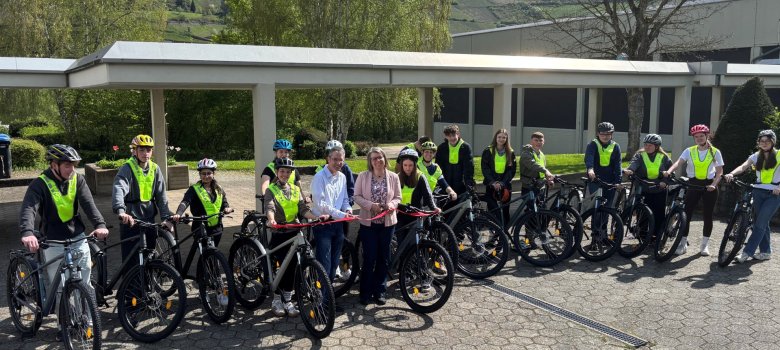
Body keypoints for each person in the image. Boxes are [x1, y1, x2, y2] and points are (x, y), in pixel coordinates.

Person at [19, 144, 109, 341]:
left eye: (74, 165)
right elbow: (29, 209)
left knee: (84, 282)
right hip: (52, 241)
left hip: (77, 237)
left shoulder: (78, 180)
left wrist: (100, 224)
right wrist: (27, 232)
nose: (72, 169)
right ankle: (64, 325)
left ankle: (87, 321)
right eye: (67, 165)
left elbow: (89, 205)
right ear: (54, 165)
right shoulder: (39, 184)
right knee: (60, 285)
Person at [264, 158, 329, 317]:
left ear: (291, 173)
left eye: (288, 171)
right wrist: (271, 219)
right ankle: (277, 300)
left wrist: (314, 217)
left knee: (293, 267)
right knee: (281, 268)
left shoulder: (294, 188)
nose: (285, 174)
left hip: (294, 231)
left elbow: (302, 209)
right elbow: (269, 206)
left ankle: (288, 299)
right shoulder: (271, 189)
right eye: (282, 171)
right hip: (280, 233)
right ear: (277, 172)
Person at [663, 124, 723, 256]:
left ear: (707, 136)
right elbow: (679, 162)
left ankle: (704, 245)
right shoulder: (689, 150)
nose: (699, 138)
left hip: (709, 186)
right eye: (696, 137)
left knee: (707, 215)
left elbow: (719, 172)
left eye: (702, 136)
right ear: (694, 138)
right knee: (686, 214)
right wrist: (669, 171)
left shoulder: (715, 152)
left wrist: (714, 184)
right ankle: (682, 243)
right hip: (693, 184)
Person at [112, 134, 173, 263]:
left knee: (149, 255)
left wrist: (166, 218)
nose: (146, 153)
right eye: (142, 150)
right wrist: (121, 210)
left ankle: (149, 282)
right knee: (131, 258)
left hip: (148, 219)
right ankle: (131, 283)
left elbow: (161, 196)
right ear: (134, 151)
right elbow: (119, 188)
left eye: (148, 150)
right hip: (130, 219)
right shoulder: (127, 168)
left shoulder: (155, 169)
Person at [354, 147, 401, 306]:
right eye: (373, 158)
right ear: (370, 161)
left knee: (384, 258)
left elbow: (398, 197)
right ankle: (365, 292)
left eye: (379, 157)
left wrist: (391, 205)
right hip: (369, 224)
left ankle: (380, 291)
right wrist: (370, 205)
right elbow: (357, 196)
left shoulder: (394, 177)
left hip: (387, 225)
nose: (377, 160)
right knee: (369, 258)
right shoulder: (363, 176)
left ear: (384, 158)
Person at [723, 129, 780, 263]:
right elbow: (743, 166)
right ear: (759, 143)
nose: (764, 143)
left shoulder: (778, 155)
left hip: (774, 194)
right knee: (761, 223)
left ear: (773, 142)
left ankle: (746, 252)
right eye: (762, 141)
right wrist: (731, 174)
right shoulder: (756, 156)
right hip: (758, 192)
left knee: (759, 224)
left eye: (767, 141)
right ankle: (766, 252)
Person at [310, 143, 355, 309]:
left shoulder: (342, 177)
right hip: (323, 225)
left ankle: (327, 301)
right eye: (335, 159)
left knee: (334, 264)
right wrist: (343, 214)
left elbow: (344, 199)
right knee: (324, 265)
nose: (338, 162)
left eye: (341, 160)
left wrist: (348, 209)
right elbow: (321, 204)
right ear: (328, 159)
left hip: (337, 224)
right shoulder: (319, 177)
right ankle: (320, 303)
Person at [171, 158, 235, 247]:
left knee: (213, 255)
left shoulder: (218, 188)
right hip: (200, 228)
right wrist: (178, 213)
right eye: (203, 173)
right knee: (204, 255)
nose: (206, 176)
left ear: (213, 174)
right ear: (199, 174)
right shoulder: (194, 189)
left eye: (209, 173)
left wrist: (226, 208)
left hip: (217, 228)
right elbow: (185, 202)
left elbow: (223, 202)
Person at [623, 134, 672, 238]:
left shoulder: (664, 157)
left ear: (657, 146)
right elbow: (634, 164)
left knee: (659, 213)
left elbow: (670, 172)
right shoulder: (640, 155)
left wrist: (664, 181)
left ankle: (657, 235)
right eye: (645, 145)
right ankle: (642, 235)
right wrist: (630, 170)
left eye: (650, 145)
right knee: (643, 213)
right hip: (643, 188)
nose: (647, 147)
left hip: (659, 188)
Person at [396, 148, 440, 237]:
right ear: (402, 165)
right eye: (405, 165)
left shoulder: (420, 177)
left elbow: (427, 194)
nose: (408, 168)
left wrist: (434, 208)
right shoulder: (397, 177)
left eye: (410, 165)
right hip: (400, 215)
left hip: (415, 215)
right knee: (401, 242)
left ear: (415, 165)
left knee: (414, 242)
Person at [481, 129, 517, 227]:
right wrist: (493, 182)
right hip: (491, 185)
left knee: (505, 210)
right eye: (499, 137)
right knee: (492, 210)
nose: (501, 139)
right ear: (495, 138)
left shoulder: (511, 152)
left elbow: (511, 170)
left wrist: (502, 183)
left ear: (506, 139)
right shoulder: (488, 151)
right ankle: (493, 233)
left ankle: (504, 233)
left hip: (505, 185)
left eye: (504, 137)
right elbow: (485, 169)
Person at [584, 122, 622, 206]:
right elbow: (589, 157)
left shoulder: (615, 146)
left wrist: (618, 181)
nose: (605, 137)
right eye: (603, 134)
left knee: (608, 207)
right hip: (595, 179)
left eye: (608, 134)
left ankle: (604, 219)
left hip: (610, 181)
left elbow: (618, 164)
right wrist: (590, 169)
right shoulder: (592, 144)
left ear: (612, 134)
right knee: (596, 207)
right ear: (598, 134)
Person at [435, 124, 475, 197]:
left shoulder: (466, 147)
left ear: (458, 134)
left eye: (454, 135)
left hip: (461, 184)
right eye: (449, 136)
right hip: (446, 183)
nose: (452, 138)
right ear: (445, 136)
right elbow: (438, 167)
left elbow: (469, 168)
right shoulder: (442, 148)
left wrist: (468, 184)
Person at [519, 131, 554, 197]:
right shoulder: (526, 153)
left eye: (541, 140)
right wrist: (546, 171)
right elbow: (533, 165)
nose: (538, 142)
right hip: (529, 186)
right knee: (532, 207)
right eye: (536, 140)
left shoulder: (542, 154)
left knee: (541, 206)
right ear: (531, 141)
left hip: (541, 186)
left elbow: (542, 169)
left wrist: (548, 179)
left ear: (543, 142)